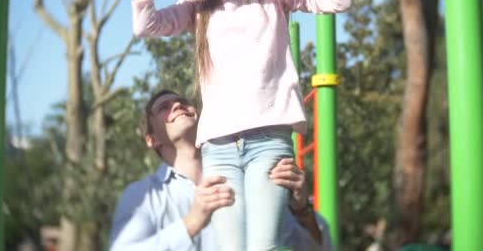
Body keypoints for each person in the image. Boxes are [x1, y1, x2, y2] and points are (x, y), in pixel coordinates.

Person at [131, 0, 351, 250]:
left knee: (264, 245)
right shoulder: (199, 4)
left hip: (267, 140)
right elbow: (146, 24)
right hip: (218, 148)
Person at [109, 90, 332, 250]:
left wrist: (302, 210)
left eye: (182, 102)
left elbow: (318, 247)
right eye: (163, 108)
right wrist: (192, 222)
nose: (177, 106)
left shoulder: (248, 179)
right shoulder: (142, 196)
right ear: (152, 139)